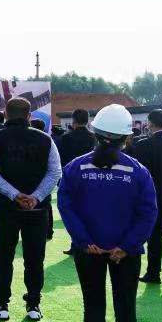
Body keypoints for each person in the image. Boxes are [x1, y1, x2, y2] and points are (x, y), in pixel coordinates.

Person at [59, 104, 158, 322]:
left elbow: (66, 207)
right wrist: (127, 246)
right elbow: (148, 212)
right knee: (126, 309)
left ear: (95, 133)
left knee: (93, 307)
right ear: (126, 138)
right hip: (126, 253)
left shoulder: (75, 167)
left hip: (89, 250)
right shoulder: (138, 171)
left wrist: (84, 241)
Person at [0, 97, 61, 322]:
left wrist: (14, 195)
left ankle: (1, 304)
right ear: (29, 116)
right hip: (37, 208)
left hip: (6, 207)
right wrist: (35, 197)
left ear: (5, 115)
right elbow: (55, 172)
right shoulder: (45, 138)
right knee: (35, 257)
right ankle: (33, 304)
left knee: (4, 256)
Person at [132, 109, 162, 284]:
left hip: (153, 198)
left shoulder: (143, 145)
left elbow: (139, 176)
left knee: (154, 238)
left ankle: (153, 273)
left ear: (151, 123)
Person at [57, 108, 97, 255]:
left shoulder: (66, 137)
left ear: (73, 120)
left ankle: (77, 244)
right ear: (88, 120)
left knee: (73, 213)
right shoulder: (93, 137)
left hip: (72, 178)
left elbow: (61, 158)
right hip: (91, 178)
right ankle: (91, 243)